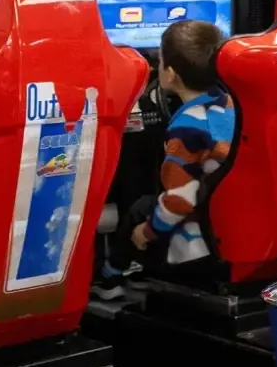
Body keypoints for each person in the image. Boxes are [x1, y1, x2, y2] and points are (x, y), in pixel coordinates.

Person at [95, 19, 234, 299]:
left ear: (170, 74)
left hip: (197, 247)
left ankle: (110, 278)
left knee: (140, 208)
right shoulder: (229, 102)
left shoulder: (186, 129)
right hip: (227, 227)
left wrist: (145, 233)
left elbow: (179, 203)